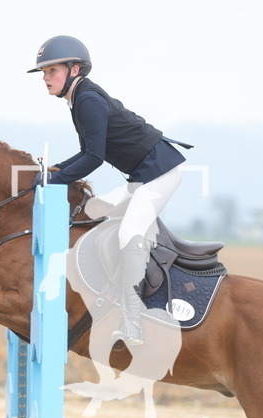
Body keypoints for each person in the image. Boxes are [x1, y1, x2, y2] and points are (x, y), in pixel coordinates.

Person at [28, 35, 190, 346]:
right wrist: (55, 171)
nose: (46, 78)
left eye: (52, 71)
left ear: (75, 69)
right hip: (143, 173)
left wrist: (53, 180)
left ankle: (133, 323)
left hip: (161, 171)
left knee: (129, 233)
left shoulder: (87, 100)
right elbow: (86, 151)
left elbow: (94, 158)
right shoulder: (79, 98)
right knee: (94, 212)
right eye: (44, 73)